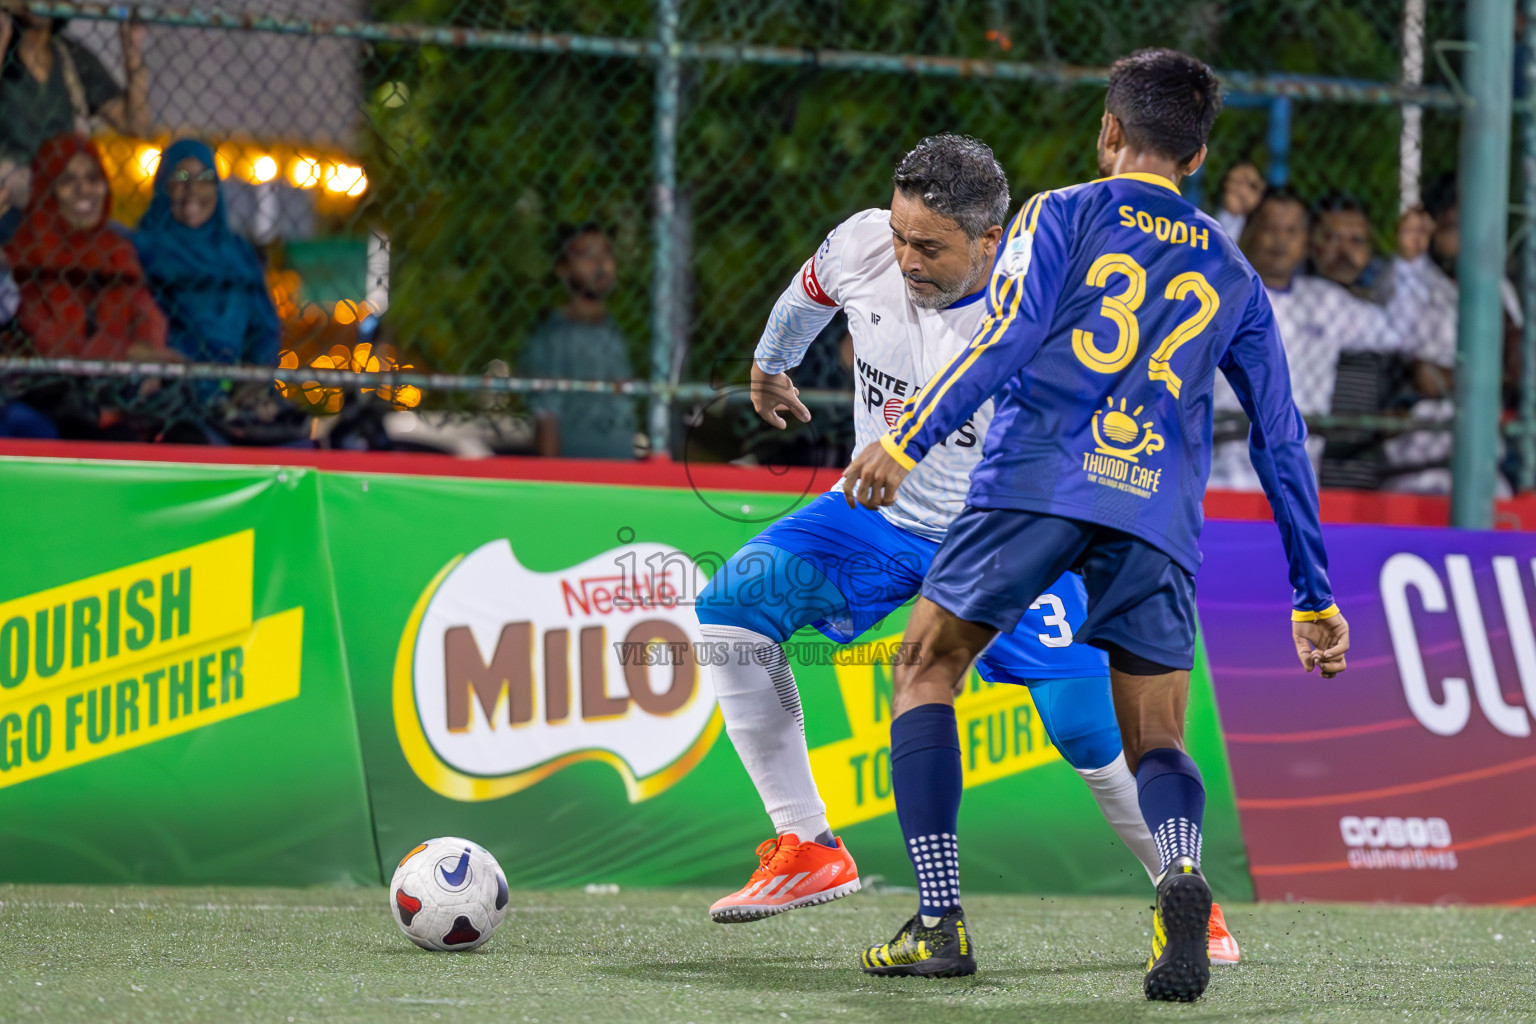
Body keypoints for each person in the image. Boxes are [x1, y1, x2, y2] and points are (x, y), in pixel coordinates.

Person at [842, 50, 1348, 1002]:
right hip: (1155, 512)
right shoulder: (1233, 269)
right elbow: (1282, 435)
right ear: (1196, 156)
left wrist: (909, 438)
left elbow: (1009, 337)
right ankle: (1184, 876)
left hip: (1034, 481)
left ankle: (940, 918)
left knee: (924, 668)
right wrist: (1313, 594)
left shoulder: (1061, 212)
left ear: (1110, 131)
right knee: (1158, 740)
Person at [696, 134, 1238, 971]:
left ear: (991, 241)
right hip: (876, 520)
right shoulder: (864, 241)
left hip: (1009, 538)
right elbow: (808, 294)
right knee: (731, 610)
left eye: (930, 246)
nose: (905, 256)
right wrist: (771, 365)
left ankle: (1186, 901)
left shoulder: (1052, 304)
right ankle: (807, 846)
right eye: (903, 235)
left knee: (1090, 731)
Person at [1206, 188, 1394, 490]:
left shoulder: (1328, 302)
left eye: (1291, 230)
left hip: (1295, 480)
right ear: (1250, 232)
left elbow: (1402, 332)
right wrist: (1231, 216)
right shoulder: (1221, 293)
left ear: (1306, 242)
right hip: (1219, 475)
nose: (1280, 240)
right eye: (1270, 228)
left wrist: (1410, 266)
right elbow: (1204, 267)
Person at [132, 138, 280, 367]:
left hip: (239, 387)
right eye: (181, 177)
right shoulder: (141, 250)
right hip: (167, 385)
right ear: (163, 185)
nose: (193, 189)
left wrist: (251, 381)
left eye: (205, 178)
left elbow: (265, 329)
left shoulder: (238, 253)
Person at [520, 224, 638, 459]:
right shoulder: (553, 338)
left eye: (606, 254)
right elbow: (546, 419)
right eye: (587, 255)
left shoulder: (613, 331)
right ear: (563, 269)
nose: (601, 264)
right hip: (579, 469)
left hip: (623, 468)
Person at [0, 11, 149, 159]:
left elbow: (136, 127)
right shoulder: (7, 52)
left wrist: (133, 53)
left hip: (61, 175)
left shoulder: (72, 56)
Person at [1212, 159, 1263, 240]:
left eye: (1252, 186)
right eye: (1238, 182)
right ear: (1225, 183)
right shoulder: (1200, 211)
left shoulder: (1261, 231)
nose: (1243, 191)